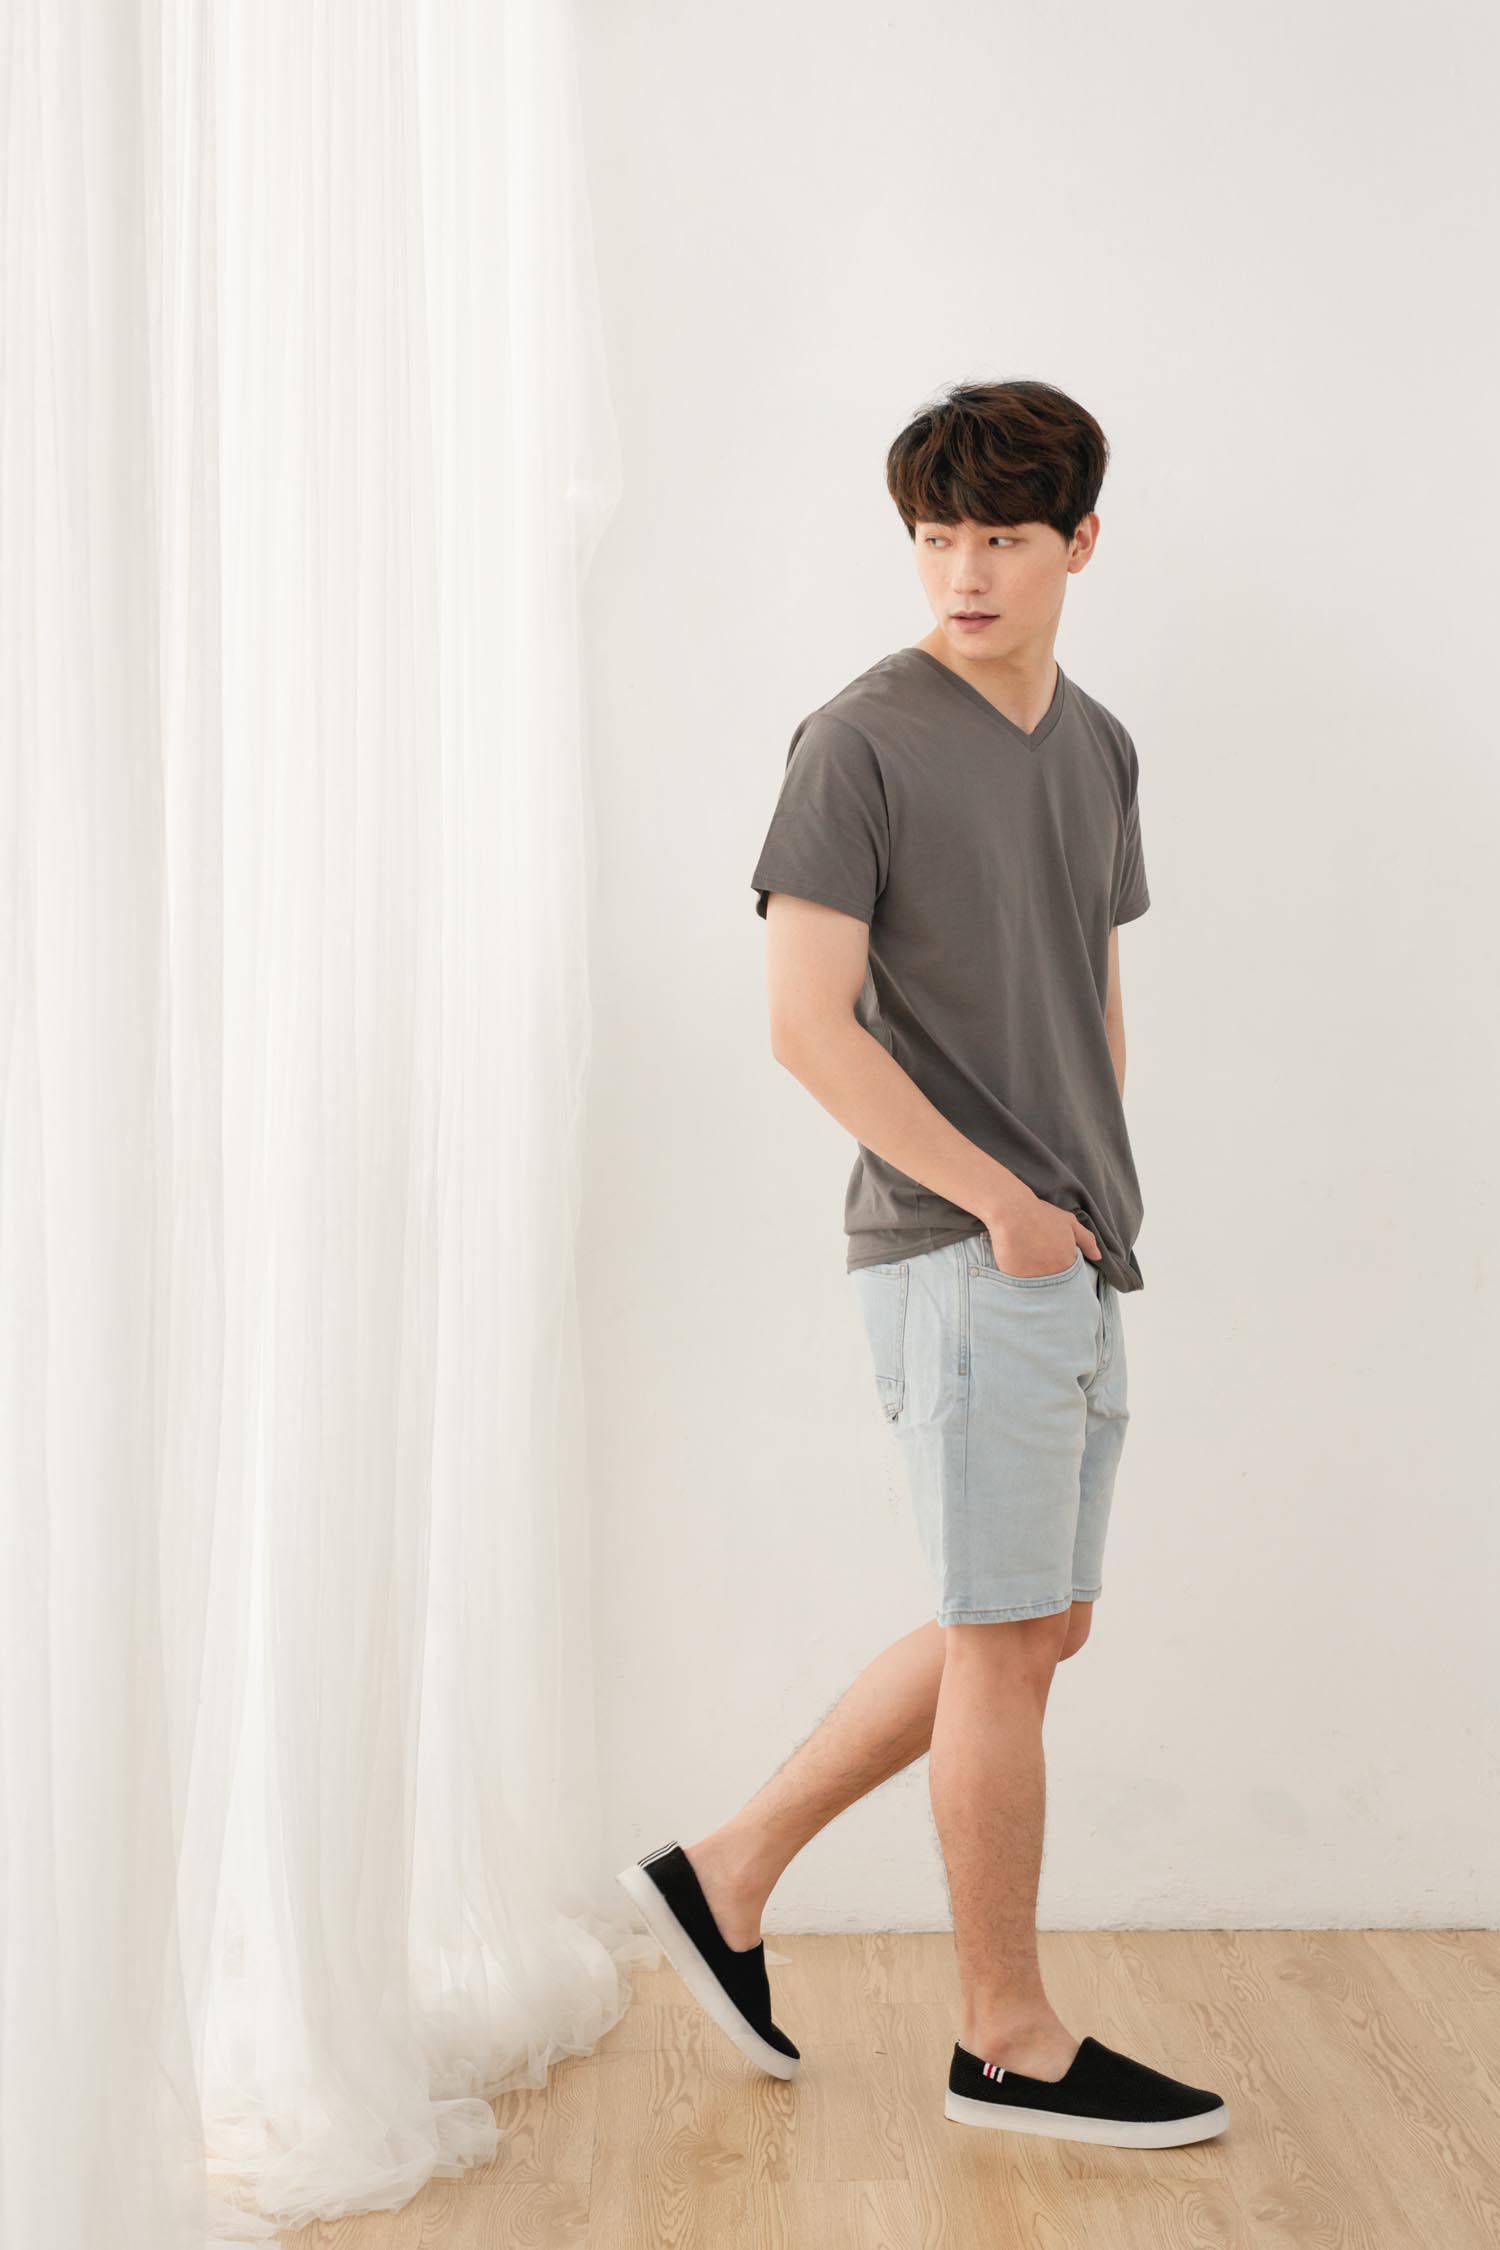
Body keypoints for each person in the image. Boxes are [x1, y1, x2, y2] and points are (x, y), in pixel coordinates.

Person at [617, 380, 1229, 2149]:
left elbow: (1086, 985)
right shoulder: (860, 740)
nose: (963, 570)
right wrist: (1004, 1206)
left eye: (1002, 536)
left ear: (1079, 543)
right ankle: (1004, 2037)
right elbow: (807, 1026)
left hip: (1069, 1245)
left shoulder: (1099, 746)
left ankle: (726, 1870)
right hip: (964, 1249)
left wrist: (1085, 1196)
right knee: (1003, 1634)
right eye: (936, 535)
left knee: (1033, 1623)